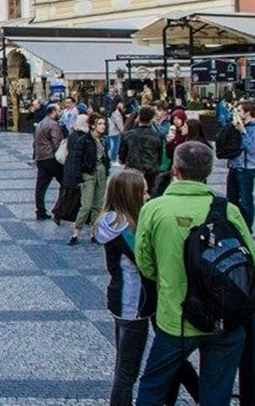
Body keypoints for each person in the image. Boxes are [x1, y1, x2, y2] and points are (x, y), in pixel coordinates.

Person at [134, 142, 255, 406]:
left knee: (152, 387)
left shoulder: (155, 209)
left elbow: (145, 264)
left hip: (176, 318)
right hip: (223, 317)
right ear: (208, 171)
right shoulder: (227, 210)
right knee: (216, 395)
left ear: (175, 170)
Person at [95, 169, 154, 406]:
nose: (148, 196)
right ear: (132, 196)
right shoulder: (126, 229)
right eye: (144, 191)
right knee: (127, 371)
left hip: (124, 300)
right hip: (134, 303)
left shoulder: (111, 222)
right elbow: (147, 264)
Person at [68, 115, 111, 246]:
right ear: (93, 125)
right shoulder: (84, 140)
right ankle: (76, 232)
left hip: (101, 174)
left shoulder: (104, 140)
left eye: (104, 124)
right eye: (100, 124)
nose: (103, 126)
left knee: (98, 205)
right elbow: (76, 159)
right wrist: (78, 177)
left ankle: (93, 232)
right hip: (88, 174)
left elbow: (106, 157)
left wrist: (107, 168)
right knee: (86, 205)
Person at [226, 100, 255, 232]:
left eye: (239, 111)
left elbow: (253, 148)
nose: (236, 113)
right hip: (234, 165)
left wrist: (243, 131)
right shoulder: (236, 126)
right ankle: (235, 226)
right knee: (232, 198)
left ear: (247, 112)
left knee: (246, 199)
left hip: (247, 167)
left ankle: (247, 228)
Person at [32, 104, 64, 221]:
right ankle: (60, 210)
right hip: (51, 158)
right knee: (66, 184)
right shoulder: (53, 124)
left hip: (41, 158)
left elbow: (34, 142)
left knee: (40, 187)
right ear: (53, 111)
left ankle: (40, 211)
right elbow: (57, 143)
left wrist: (36, 156)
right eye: (59, 110)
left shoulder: (40, 124)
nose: (60, 113)